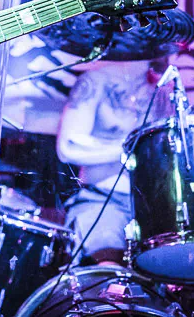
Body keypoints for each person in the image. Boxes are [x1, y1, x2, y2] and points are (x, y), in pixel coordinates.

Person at [56, 59, 171, 265]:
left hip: (152, 210)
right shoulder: (96, 81)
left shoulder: (164, 92)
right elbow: (67, 148)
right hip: (102, 201)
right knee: (109, 271)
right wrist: (130, 148)